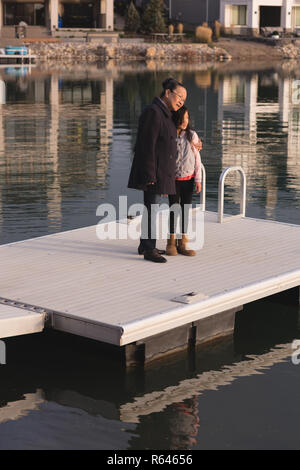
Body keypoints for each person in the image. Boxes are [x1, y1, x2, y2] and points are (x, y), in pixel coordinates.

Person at [128, 77, 187, 263]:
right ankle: (149, 249)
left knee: (151, 208)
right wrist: (150, 175)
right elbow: (147, 146)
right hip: (153, 172)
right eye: (179, 97)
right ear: (168, 93)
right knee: (151, 209)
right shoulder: (154, 112)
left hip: (161, 171)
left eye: (184, 100)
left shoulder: (166, 113)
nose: (181, 102)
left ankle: (145, 245)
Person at [166, 105, 202, 257]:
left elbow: (197, 158)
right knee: (174, 210)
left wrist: (198, 179)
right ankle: (171, 242)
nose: (185, 121)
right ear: (176, 119)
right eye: (182, 118)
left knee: (185, 210)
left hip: (189, 179)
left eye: (187, 118)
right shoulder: (169, 135)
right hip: (173, 180)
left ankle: (183, 243)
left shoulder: (191, 135)